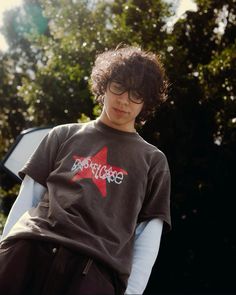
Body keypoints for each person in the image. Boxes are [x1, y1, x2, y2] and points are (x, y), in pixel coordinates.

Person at [0, 45, 171, 295]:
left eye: (136, 94)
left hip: (94, 275)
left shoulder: (154, 161)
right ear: (105, 85)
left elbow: (148, 236)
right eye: (119, 86)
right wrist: (6, 246)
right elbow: (27, 199)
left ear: (147, 102)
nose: (124, 99)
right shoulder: (62, 135)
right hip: (28, 251)